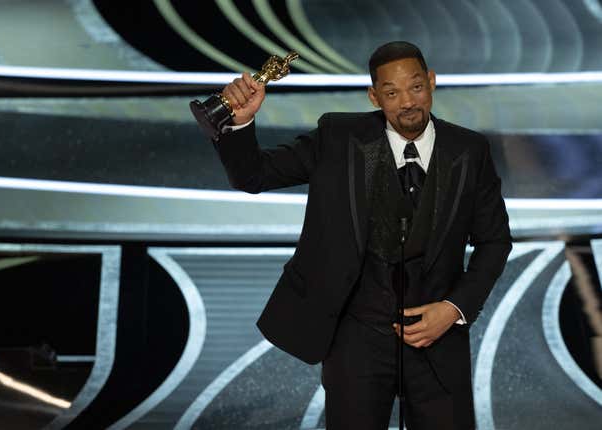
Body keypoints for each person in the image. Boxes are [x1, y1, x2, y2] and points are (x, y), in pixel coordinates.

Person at [212, 41, 511, 429]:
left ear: (432, 82)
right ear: (374, 96)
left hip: (438, 341)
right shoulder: (338, 137)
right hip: (356, 343)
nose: (407, 102)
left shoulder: (470, 150)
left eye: (416, 87)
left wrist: (453, 309)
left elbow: (494, 241)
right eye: (392, 92)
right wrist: (241, 123)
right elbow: (253, 175)